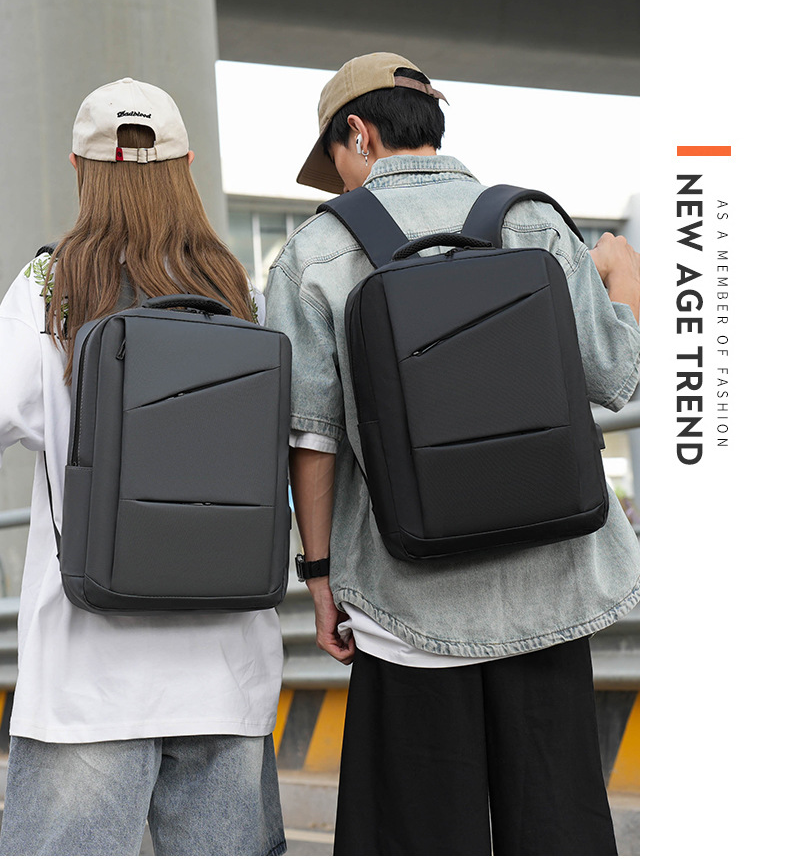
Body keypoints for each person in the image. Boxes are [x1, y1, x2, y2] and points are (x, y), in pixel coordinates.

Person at [264, 52, 640, 856]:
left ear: (357, 133)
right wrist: (625, 283)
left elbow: (312, 439)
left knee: (418, 835)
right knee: (560, 830)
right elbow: (615, 377)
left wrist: (321, 579)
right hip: (553, 592)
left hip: (408, 604)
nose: (341, 182)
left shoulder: (315, 252)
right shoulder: (534, 222)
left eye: (335, 160)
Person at [0, 78, 286, 856]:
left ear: (79, 168)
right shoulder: (239, 293)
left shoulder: (50, 287)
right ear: (187, 166)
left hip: (87, 678)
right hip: (226, 670)